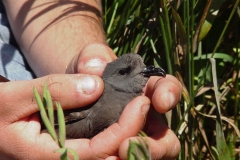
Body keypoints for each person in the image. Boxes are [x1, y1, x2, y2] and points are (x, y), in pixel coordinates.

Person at [0, 0, 182, 159]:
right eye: (125, 72)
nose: (144, 71)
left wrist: (84, 58)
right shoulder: (98, 101)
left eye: (143, 67)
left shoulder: (134, 101)